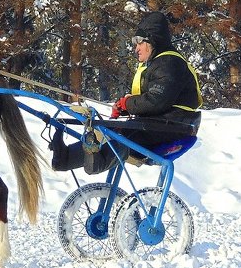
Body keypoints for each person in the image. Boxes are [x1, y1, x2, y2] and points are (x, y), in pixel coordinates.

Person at [50, 10, 202, 172]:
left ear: (152, 40)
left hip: (176, 128)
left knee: (123, 134)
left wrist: (128, 103)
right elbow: (153, 101)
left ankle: (98, 161)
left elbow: (157, 100)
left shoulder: (170, 63)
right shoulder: (158, 63)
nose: (136, 48)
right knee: (112, 130)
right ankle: (66, 158)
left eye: (139, 42)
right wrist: (124, 107)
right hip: (162, 125)